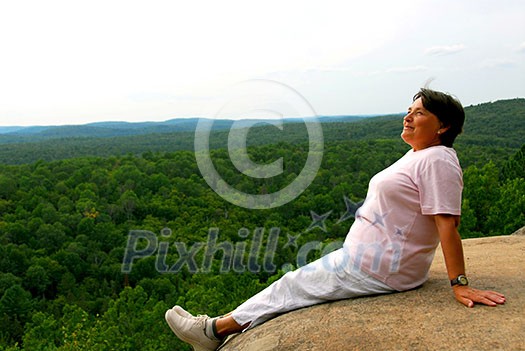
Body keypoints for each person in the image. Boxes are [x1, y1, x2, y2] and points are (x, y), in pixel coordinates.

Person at [164, 88, 506, 351]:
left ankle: (211, 331)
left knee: (291, 286)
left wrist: (459, 282)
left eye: (419, 113)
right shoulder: (421, 154)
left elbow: (447, 223)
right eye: (408, 111)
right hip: (370, 258)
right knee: (294, 283)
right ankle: (214, 327)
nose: (408, 117)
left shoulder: (438, 161)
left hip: (382, 265)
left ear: (443, 125)